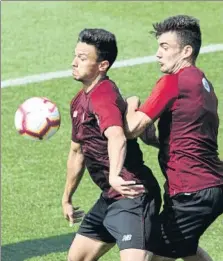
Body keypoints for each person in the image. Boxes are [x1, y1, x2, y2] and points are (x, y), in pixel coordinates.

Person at [125, 15, 223, 261]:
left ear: (186, 51)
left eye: (165, 47)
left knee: (150, 255)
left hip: (191, 191)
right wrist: (156, 140)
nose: (158, 54)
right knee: (188, 252)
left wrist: (131, 104)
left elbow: (132, 128)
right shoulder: (204, 85)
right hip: (208, 186)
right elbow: (193, 137)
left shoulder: (174, 80)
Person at [62, 28, 161, 261]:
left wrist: (115, 176)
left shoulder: (103, 94)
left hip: (133, 193)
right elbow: (77, 153)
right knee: (77, 258)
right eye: (76, 55)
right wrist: (67, 197)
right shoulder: (79, 100)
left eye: (83, 58)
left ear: (103, 65)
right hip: (110, 196)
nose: (74, 62)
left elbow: (116, 136)